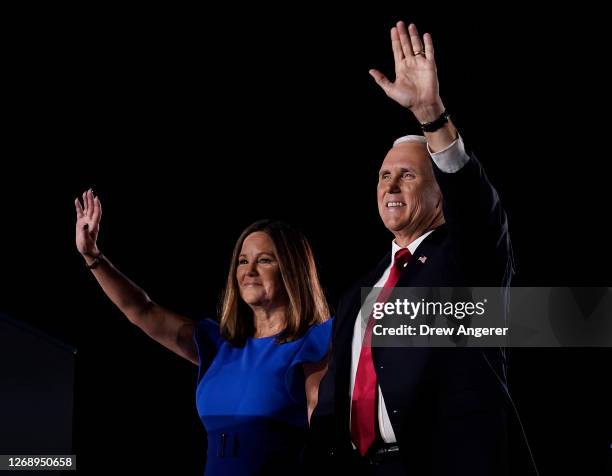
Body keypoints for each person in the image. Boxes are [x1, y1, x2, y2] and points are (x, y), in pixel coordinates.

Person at [308, 20, 514, 475]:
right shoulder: (360, 292)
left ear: (440, 193)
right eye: (384, 175)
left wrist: (432, 117)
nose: (392, 184)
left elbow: (477, 210)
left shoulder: (464, 258)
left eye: (409, 174)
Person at [74, 191, 332, 476]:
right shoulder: (219, 345)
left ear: (293, 271)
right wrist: (92, 255)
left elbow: (330, 436)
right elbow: (142, 310)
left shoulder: (315, 343)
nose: (249, 271)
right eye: (243, 261)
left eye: (265, 260)